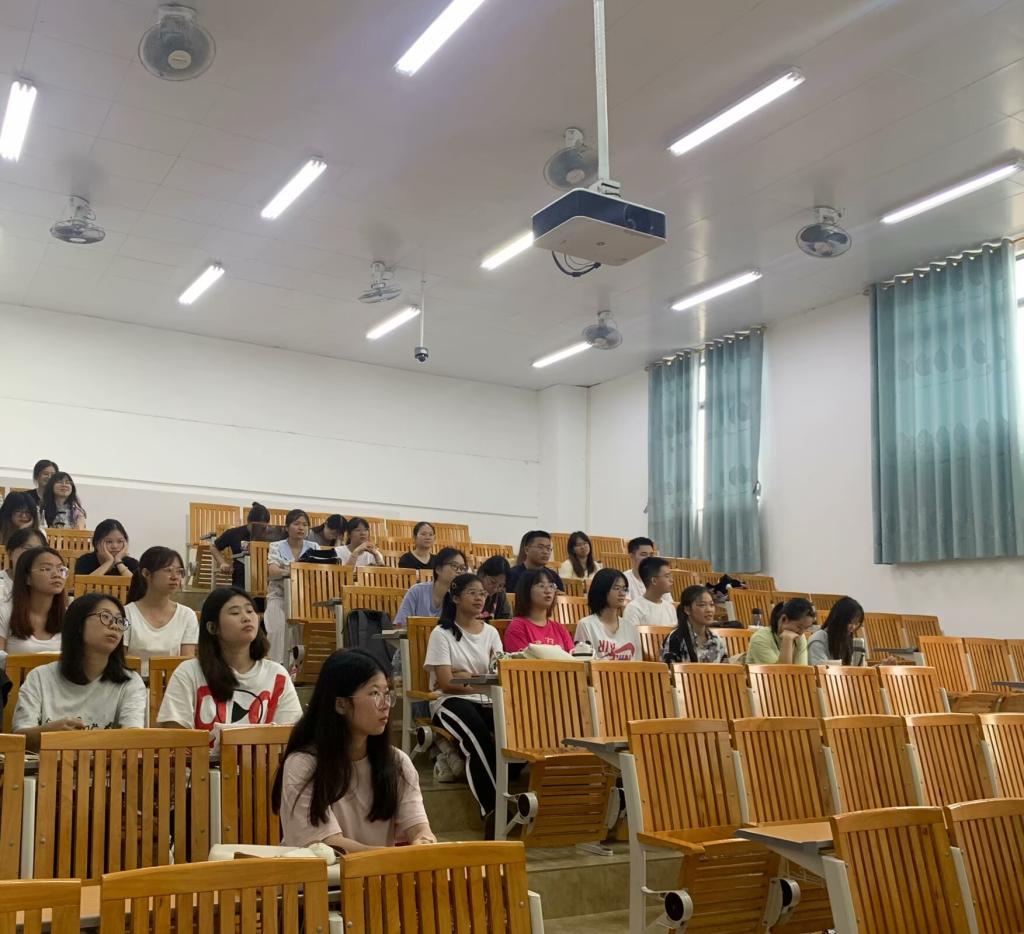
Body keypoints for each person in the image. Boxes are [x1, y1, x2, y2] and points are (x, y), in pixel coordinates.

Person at [272, 649, 435, 850]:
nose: (385, 704)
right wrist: (394, 858)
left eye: (387, 693)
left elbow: (420, 828)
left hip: (380, 869)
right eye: (374, 693)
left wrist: (424, 841)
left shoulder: (397, 762)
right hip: (325, 870)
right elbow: (329, 847)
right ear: (341, 704)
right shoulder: (303, 764)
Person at [157, 586, 302, 754]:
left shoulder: (277, 675)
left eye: (250, 611)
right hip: (202, 769)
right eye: (235, 613)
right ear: (212, 627)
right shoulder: (189, 672)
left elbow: (291, 737)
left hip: (264, 769)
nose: (246, 618)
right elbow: (176, 739)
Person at [12, 592, 146, 751]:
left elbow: (133, 738)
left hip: (105, 766)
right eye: (106, 617)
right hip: (46, 765)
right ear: (78, 624)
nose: (115, 626)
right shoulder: (40, 677)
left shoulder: (130, 682)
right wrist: (48, 733)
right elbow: (19, 738)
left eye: (120, 620)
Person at [424, 574, 504, 827]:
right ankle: (493, 810)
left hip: (487, 699)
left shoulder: (491, 632)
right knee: (477, 735)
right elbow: (446, 683)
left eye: (482, 593)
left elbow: (500, 673)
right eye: (472, 592)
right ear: (456, 598)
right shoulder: (442, 633)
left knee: (516, 731)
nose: (479, 598)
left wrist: (464, 676)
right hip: (450, 701)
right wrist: (473, 680)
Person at [124, 546, 198, 676]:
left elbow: (187, 664)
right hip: (133, 683)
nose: (175, 577)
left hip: (173, 684)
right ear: (146, 573)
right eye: (168, 570)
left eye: (179, 571)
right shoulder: (126, 613)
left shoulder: (187, 615)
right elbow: (119, 661)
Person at [264, 510, 316, 665]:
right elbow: (273, 571)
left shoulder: (313, 547)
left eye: (305, 525)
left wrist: (288, 570)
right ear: (287, 527)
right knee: (277, 631)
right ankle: (275, 666)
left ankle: (295, 670)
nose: (301, 528)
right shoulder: (276, 546)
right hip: (280, 597)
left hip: (303, 600)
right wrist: (293, 571)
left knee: (300, 635)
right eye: (296, 524)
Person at [0, 547, 66, 654]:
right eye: (46, 569)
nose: (57, 575)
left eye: (61, 569)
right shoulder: (4, 610)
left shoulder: (69, 614)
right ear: (27, 577)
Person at [503, 567, 574, 653]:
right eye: (541, 586)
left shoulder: (559, 628)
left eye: (551, 586)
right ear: (526, 590)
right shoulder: (517, 628)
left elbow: (572, 657)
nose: (548, 591)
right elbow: (520, 660)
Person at [393, 548, 468, 628]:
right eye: (454, 566)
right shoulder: (417, 591)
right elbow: (400, 625)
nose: (459, 571)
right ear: (438, 569)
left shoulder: (460, 598)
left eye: (462, 568)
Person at [574, 568, 637, 660]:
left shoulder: (631, 628)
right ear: (602, 590)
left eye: (624, 589)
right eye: (617, 588)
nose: (622, 593)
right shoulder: (586, 625)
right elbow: (584, 663)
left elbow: (637, 664)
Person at [662, 585, 729, 664]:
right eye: (702, 605)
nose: (709, 610)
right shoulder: (675, 639)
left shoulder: (717, 640)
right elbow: (669, 669)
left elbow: (726, 669)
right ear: (687, 610)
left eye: (711, 605)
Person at [212, 503, 273, 589]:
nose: (258, 530)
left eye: (262, 527)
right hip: (241, 579)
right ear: (248, 522)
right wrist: (222, 563)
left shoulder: (272, 535)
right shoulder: (234, 533)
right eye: (255, 526)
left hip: (266, 579)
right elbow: (214, 547)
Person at [746, 597, 815, 665]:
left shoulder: (800, 637)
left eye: (805, 628)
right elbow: (782, 671)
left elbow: (801, 670)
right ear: (784, 619)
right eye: (798, 627)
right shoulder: (760, 638)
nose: (801, 632)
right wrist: (787, 639)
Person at [622, 557, 677, 629]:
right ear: (654, 580)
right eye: (667, 576)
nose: (671, 580)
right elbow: (630, 635)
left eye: (671, 576)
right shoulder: (634, 608)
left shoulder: (670, 607)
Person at [808, 597, 865, 666]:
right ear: (838, 619)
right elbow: (821, 669)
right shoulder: (818, 640)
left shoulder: (846, 638)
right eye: (850, 622)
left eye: (856, 623)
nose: (853, 627)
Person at [74, 519, 138, 577]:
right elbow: (84, 584)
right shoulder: (84, 562)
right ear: (96, 543)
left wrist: (118, 562)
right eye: (109, 541)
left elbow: (137, 585)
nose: (115, 546)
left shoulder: (132, 563)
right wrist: (108, 562)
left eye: (120, 541)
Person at [0, 527, 47, 603]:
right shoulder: (1, 582)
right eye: (27, 548)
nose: (33, 554)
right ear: (10, 553)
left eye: (38, 550)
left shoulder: (47, 583)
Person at [624, 537, 666, 602]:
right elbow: (625, 604)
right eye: (643, 554)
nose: (648, 559)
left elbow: (670, 603)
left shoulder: (659, 578)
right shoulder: (624, 579)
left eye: (651, 555)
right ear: (631, 556)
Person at [478, 555, 511, 621]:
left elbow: (506, 619)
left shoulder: (501, 594)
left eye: (500, 586)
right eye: (492, 582)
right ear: (482, 574)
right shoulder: (470, 591)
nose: (495, 589)